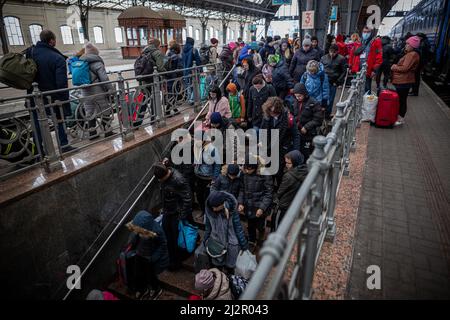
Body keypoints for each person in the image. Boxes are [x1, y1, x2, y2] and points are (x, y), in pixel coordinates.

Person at [25, 29, 74, 153]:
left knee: (37, 124)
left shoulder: (31, 52)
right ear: (52, 40)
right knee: (59, 120)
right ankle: (63, 145)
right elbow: (61, 83)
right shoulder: (58, 58)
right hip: (52, 97)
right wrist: (63, 101)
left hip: (34, 96)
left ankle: (38, 150)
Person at [153, 163, 193, 271]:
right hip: (168, 211)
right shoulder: (164, 179)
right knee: (167, 236)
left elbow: (188, 199)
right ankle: (171, 258)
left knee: (176, 238)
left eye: (160, 180)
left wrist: (182, 216)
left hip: (177, 213)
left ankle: (176, 262)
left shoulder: (178, 180)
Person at [124, 210, 170, 299]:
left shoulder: (157, 231)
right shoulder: (140, 228)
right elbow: (136, 238)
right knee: (138, 273)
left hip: (150, 256)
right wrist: (133, 245)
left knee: (150, 275)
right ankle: (142, 289)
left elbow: (163, 245)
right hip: (140, 253)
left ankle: (156, 289)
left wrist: (153, 258)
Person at [204, 191, 249, 272]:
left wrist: (244, 246)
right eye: (212, 207)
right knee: (218, 267)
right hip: (216, 244)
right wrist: (205, 241)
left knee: (230, 268)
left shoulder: (232, 210)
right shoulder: (209, 210)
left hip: (231, 245)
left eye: (216, 207)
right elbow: (208, 227)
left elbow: (238, 228)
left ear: (223, 204)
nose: (213, 209)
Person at [260, 97, 301, 186]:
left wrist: (295, 151)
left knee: (279, 173)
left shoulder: (288, 119)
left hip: (282, 149)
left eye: (273, 112)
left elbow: (296, 135)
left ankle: (278, 189)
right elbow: (263, 130)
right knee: (268, 171)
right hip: (268, 148)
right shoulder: (267, 115)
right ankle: (270, 189)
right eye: (269, 111)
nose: (271, 114)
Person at [79, 42, 115, 140]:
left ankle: (92, 134)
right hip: (97, 90)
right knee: (105, 110)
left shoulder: (81, 62)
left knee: (90, 112)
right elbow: (104, 78)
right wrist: (111, 89)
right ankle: (107, 131)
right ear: (95, 53)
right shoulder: (97, 63)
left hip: (85, 90)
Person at [238, 161, 273, 249]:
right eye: (245, 168)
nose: (246, 171)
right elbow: (242, 189)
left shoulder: (265, 174)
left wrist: (262, 208)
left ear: (255, 168)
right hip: (248, 205)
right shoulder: (243, 173)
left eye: (249, 169)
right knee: (250, 225)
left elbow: (268, 193)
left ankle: (262, 231)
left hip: (259, 205)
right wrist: (241, 202)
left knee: (260, 224)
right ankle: (252, 241)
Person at [273, 150, 307, 230]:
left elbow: (280, 192)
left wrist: (275, 200)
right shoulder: (304, 171)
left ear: (295, 163)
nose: (286, 165)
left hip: (283, 205)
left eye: (288, 163)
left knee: (277, 227)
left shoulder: (288, 176)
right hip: (294, 203)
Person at [390, 35, 420, 126]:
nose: (406, 45)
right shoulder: (410, 54)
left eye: (408, 44)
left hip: (404, 81)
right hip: (403, 80)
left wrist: (394, 67)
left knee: (402, 100)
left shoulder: (412, 55)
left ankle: (400, 119)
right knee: (401, 100)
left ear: (412, 45)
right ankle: (399, 117)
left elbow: (405, 68)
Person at [290, 83, 324, 159]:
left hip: (308, 133)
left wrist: (306, 127)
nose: (298, 98)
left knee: (306, 153)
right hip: (297, 132)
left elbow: (318, 120)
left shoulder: (314, 103)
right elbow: (292, 115)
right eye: (296, 96)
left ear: (304, 94)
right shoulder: (294, 102)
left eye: (299, 96)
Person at [193, 131, 222, 217]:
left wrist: (214, 178)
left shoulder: (212, 149)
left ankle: (208, 214)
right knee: (199, 196)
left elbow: (217, 164)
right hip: (198, 176)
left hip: (208, 178)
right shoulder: (198, 147)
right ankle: (203, 211)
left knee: (207, 198)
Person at [350, 26, 383, 93]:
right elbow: (353, 55)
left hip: (368, 69)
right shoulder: (359, 42)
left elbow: (379, 57)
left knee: (366, 88)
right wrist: (351, 66)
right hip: (357, 69)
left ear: (371, 33)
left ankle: (365, 102)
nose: (366, 33)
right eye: (364, 32)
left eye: (368, 32)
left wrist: (374, 70)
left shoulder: (376, 42)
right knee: (355, 88)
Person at [321, 44, 348, 118]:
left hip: (333, 81)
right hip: (324, 81)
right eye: (331, 52)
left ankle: (327, 114)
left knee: (330, 99)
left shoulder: (341, 59)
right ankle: (322, 113)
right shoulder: (324, 58)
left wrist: (338, 81)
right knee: (323, 97)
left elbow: (344, 71)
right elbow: (320, 68)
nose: (332, 54)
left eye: (334, 52)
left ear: (337, 52)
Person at [182, 37, 202, 103]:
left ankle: (189, 99)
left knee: (188, 84)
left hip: (185, 70)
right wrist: (201, 70)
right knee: (195, 84)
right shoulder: (194, 50)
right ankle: (193, 99)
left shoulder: (183, 50)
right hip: (193, 70)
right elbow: (198, 61)